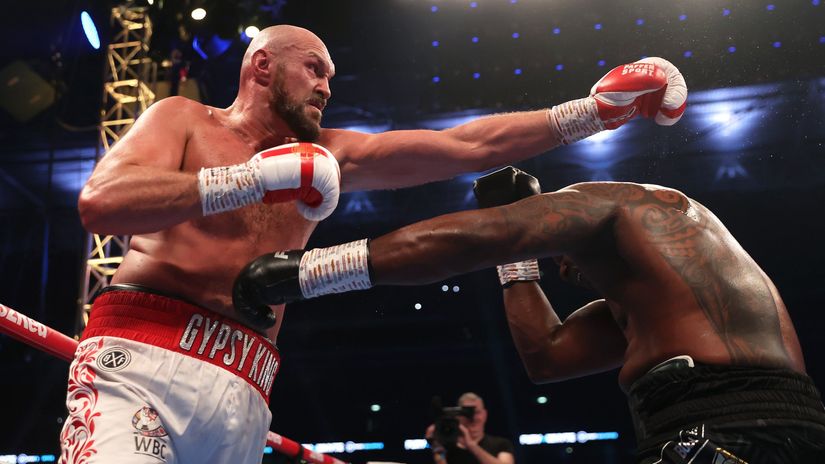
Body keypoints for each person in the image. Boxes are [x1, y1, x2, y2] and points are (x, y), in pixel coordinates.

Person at [66, 21, 686, 462]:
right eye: (314, 69)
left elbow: (468, 146)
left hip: (245, 384)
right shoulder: (181, 118)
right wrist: (252, 180)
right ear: (262, 66)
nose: (327, 87)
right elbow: (101, 203)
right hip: (142, 358)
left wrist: (592, 112)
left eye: (330, 77)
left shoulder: (329, 152)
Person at [236, 167, 825, 463]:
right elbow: (547, 356)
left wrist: (308, 270)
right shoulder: (650, 303)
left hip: (730, 432)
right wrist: (519, 264)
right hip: (745, 432)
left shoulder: (633, 206)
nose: (563, 272)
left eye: (556, 252)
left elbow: (471, 240)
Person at [425, 392, 515, 464]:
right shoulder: (448, 448)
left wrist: (471, 445)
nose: (474, 418)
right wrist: (438, 451)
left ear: (485, 414)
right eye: (467, 414)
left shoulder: (501, 444)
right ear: (458, 417)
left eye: (477, 412)